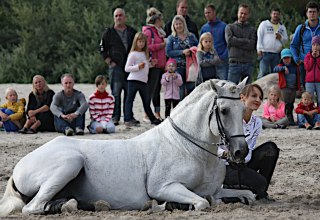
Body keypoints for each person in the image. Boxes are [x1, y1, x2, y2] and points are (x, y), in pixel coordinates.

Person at [221, 84, 279, 201]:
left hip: (243, 162)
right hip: (227, 166)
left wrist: (244, 159)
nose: (258, 100)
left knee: (270, 148)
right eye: (254, 96)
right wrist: (228, 155)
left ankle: (261, 194)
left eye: (260, 97)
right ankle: (231, 188)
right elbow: (216, 148)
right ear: (242, 97)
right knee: (259, 182)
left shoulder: (257, 122)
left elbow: (250, 150)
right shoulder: (229, 119)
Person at [99, 8, 137, 125]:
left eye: (120, 15)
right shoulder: (108, 32)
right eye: (116, 16)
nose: (118, 18)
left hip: (130, 66)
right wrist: (109, 61)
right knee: (116, 93)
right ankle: (115, 117)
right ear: (113, 17)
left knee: (129, 92)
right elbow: (101, 48)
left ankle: (128, 117)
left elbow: (139, 46)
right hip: (116, 67)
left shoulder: (132, 31)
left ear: (125, 17)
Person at [124, 32, 162, 128]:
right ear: (135, 42)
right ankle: (128, 119)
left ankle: (152, 118)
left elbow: (145, 66)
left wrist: (151, 64)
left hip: (143, 81)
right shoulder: (133, 54)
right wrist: (137, 67)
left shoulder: (145, 54)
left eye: (143, 42)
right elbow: (127, 68)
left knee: (146, 100)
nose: (141, 44)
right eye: (139, 41)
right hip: (133, 80)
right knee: (130, 100)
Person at [142, 7, 166, 122]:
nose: (162, 22)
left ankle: (157, 113)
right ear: (157, 20)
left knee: (157, 90)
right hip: (153, 65)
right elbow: (144, 46)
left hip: (160, 65)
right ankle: (147, 113)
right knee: (150, 90)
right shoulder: (148, 31)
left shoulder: (158, 31)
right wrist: (160, 45)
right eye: (161, 20)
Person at [166, 15, 198, 100]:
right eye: (176, 24)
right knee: (179, 92)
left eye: (180, 23)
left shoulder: (191, 36)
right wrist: (182, 52)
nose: (178, 26)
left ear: (184, 24)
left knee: (192, 91)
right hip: (177, 68)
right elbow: (168, 52)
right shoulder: (171, 38)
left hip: (191, 67)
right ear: (173, 26)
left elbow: (198, 48)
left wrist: (192, 50)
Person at [290, 1, 320, 91]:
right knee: (307, 90)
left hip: (319, 62)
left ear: (318, 13)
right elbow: (293, 45)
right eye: (310, 12)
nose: (312, 14)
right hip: (305, 63)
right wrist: (296, 59)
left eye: (314, 12)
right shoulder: (301, 28)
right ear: (306, 13)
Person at [225, 4, 257, 84]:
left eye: (245, 14)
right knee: (230, 89)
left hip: (248, 64)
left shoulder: (252, 30)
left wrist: (237, 41)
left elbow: (252, 45)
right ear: (237, 13)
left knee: (247, 92)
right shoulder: (230, 27)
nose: (243, 15)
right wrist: (246, 40)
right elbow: (230, 41)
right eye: (241, 13)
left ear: (249, 15)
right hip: (234, 63)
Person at [257, 8, 288, 79]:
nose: (275, 15)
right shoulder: (264, 24)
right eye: (274, 14)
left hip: (277, 54)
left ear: (279, 15)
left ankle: (273, 89)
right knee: (263, 73)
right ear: (271, 15)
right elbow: (259, 36)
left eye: (277, 14)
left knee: (275, 74)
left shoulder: (282, 27)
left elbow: (286, 40)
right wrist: (259, 48)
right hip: (265, 52)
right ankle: (259, 88)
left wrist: (281, 38)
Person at [200, 4, 229, 80]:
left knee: (222, 84)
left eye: (209, 12)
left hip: (221, 61)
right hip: (208, 63)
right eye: (205, 13)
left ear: (214, 12)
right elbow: (200, 44)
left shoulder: (224, 26)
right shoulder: (204, 28)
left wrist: (223, 57)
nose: (207, 15)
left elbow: (228, 44)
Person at [274, 48, 300, 125]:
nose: (286, 60)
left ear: (291, 57)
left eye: (288, 57)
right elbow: (275, 69)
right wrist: (283, 68)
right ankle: (284, 118)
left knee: (291, 103)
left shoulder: (295, 67)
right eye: (284, 58)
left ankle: (290, 117)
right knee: (285, 104)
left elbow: (298, 76)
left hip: (293, 88)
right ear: (282, 59)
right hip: (284, 88)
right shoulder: (280, 66)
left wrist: (299, 87)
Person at [304, 35, 320, 105]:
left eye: (317, 45)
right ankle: (311, 115)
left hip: (319, 81)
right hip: (309, 82)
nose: (315, 47)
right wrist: (312, 58)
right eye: (313, 45)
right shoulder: (308, 56)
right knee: (310, 100)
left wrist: (318, 57)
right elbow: (307, 68)